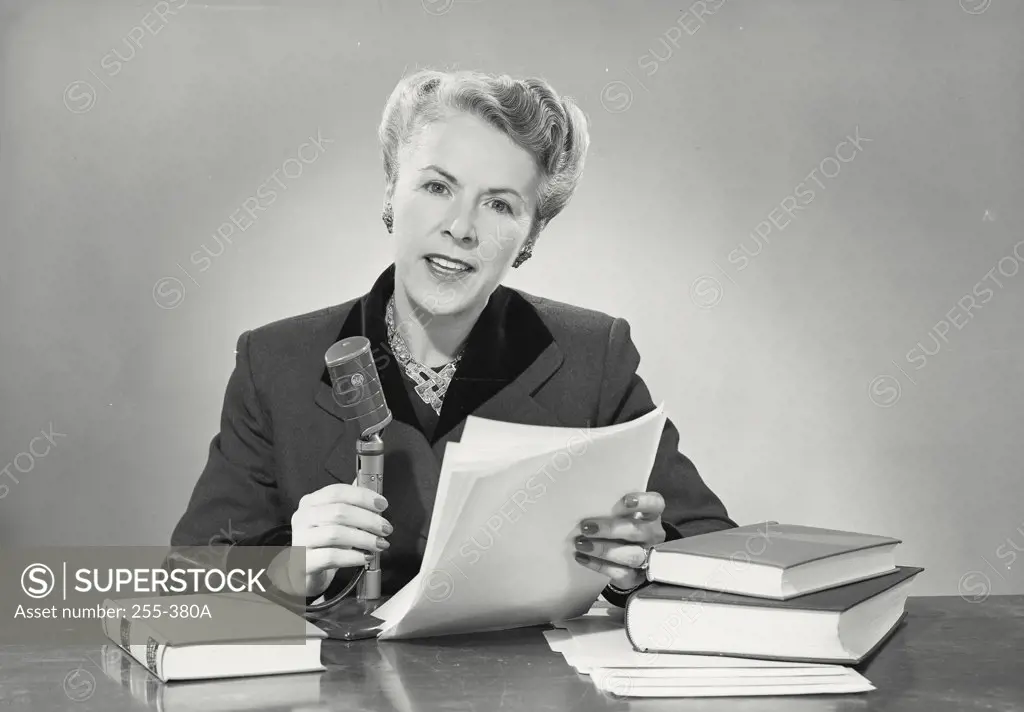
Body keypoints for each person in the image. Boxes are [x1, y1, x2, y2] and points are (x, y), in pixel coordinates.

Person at [169, 68, 735, 610]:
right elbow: (185, 589)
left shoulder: (594, 356)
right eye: (439, 186)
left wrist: (642, 567)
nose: (462, 227)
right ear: (392, 192)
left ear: (531, 234)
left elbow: (715, 550)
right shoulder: (275, 362)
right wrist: (289, 571)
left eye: (499, 204)